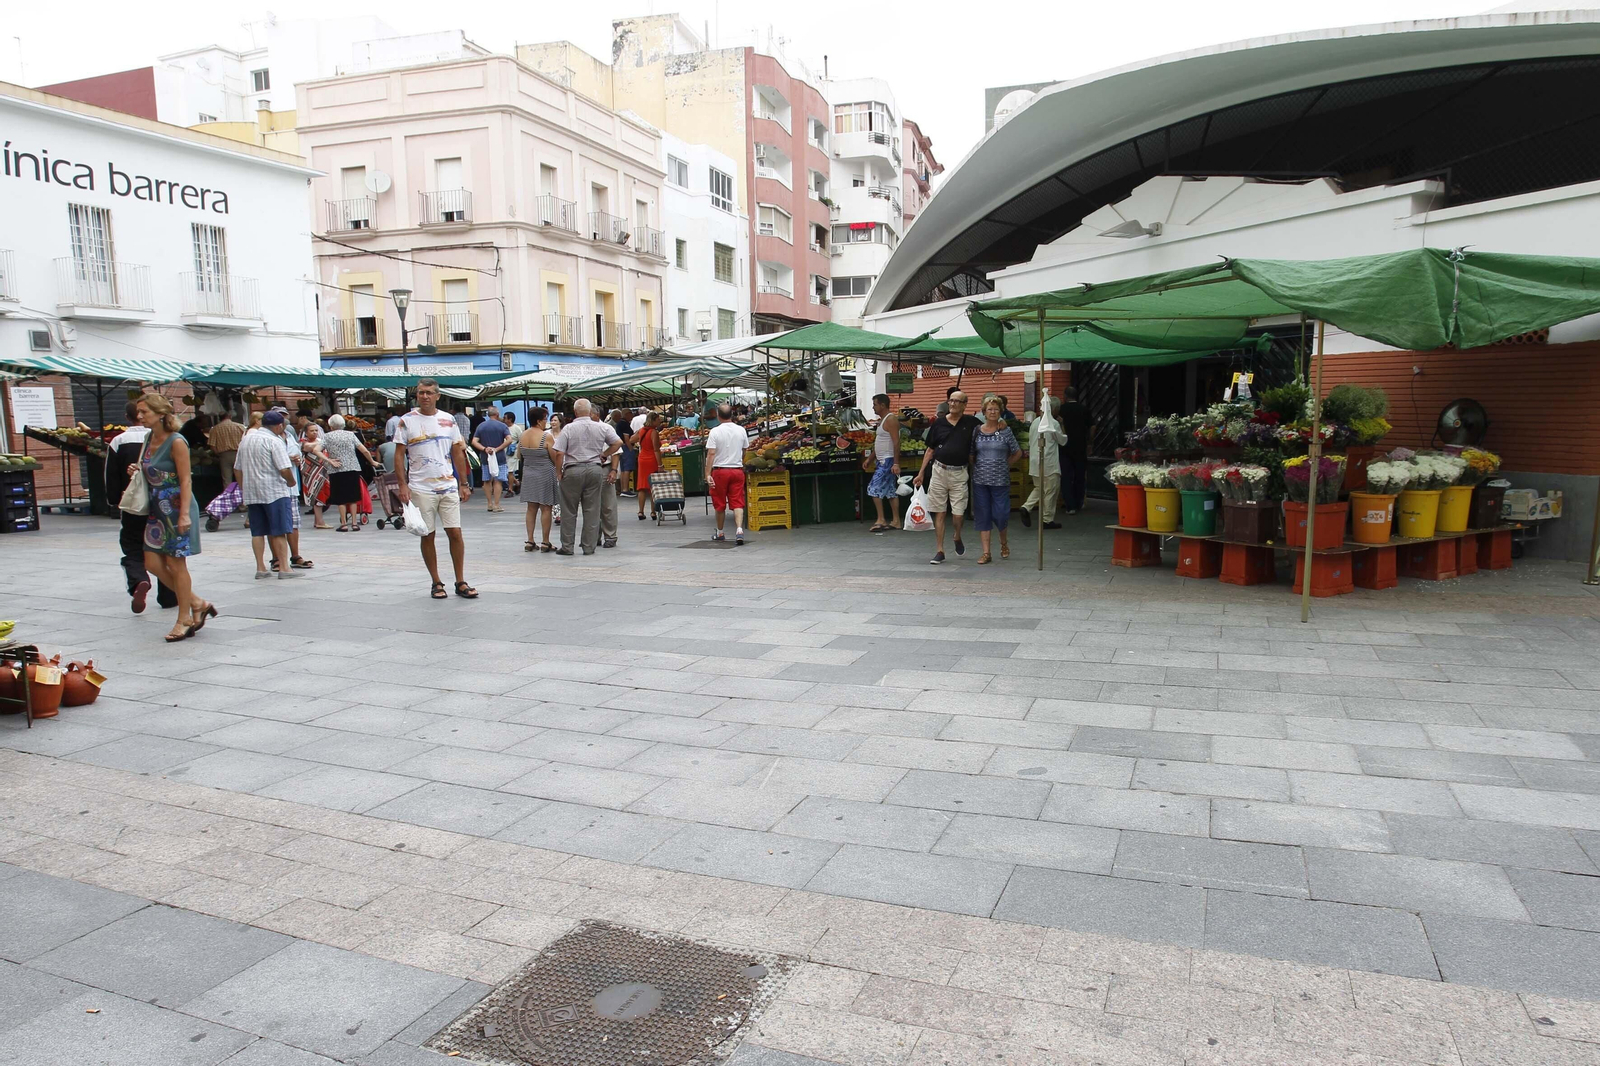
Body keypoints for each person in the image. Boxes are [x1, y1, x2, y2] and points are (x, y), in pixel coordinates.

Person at [131, 393, 216, 642]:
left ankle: (184, 618)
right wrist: (137, 470)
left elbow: (186, 478)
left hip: (177, 507)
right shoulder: (148, 438)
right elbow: (150, 469)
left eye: (144, 411)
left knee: (176, 564)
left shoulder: (177, 441)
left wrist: (184, 515)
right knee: (151, 563)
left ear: (160, 414)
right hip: (157, 509)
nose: (139, 416)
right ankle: (197, 602)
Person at [394, 379, 477, 599]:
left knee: (455, 533)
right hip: (421, 487)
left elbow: (458, 451)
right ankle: (436, 581)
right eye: (421, 393)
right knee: (427, 535)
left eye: (429, 393)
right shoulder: (407, 421)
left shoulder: (448, 420)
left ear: (437, 396)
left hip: (447, 484)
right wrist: (403, 484)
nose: (425, 397)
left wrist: (463, 483)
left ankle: (460, 580)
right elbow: (399, 454)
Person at [106, 401, 177, 613]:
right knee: (162, 548)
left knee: (132, 546)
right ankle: (168, 595)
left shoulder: (119, 440)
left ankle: (138, 580)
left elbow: (110, 475)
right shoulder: (165, 439)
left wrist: (113, 501)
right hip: (161, 502)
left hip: (135, 504)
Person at [913, 390, 980, 564]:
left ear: (965, 404)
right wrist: (920, 473)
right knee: (940, 511)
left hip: (959, 473)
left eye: (957, 401)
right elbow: (930, 450)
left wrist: (1001, 425)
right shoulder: (939, 424)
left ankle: (957, 536)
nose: (953, 404)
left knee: (958, 515)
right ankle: (940, 550)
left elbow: (988, 429)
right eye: (951, 401)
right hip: (939, 471)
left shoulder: (972, 423)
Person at [550, 398, 620, 556]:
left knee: (569, 510)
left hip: (573, 469)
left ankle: (567, 546)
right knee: (592, 509)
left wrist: (559, 472)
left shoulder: (568, 429)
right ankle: (589, 546)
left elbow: (559, 452)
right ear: (590, 411)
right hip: (595, 469)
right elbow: (618, 443)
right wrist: (604, 454)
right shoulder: (602, 427)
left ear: (575, 412)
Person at [235, 411, 299, 579]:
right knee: (279, 530)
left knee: (257, 532)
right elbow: (284, 468)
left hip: (252, 492)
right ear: (279, 426)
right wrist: (292, 482)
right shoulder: (274, 441)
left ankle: (261, 567)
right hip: (274, 491)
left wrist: (244, 487)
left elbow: (237, 468)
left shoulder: (246, 440)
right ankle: (285, 568)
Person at [971, 396, 1023, 563]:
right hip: (980, 480)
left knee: (1001, 514)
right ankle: (986, 553)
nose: (992, 412)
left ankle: (1003, 543)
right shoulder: (977, 431)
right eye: (989, 409)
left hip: (1000, 480)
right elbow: (972, 453)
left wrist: (1005, 464)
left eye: (996, 409)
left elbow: (1017, 452)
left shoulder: (1005, 431)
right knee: (983, 515)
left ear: (1000, 412)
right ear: (984, 412)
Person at [705, 404, 748, 545]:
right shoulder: (741, 430)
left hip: (720, 471)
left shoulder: (715, 432)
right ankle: (739, 530)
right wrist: (739, 461)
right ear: (732, 414)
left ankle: (720, 532)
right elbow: (744, 450)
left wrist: (707, 474)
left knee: (719, 503)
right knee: (737, 502)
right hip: (737, 470)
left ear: (718, 415)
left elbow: (711, 453)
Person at [322, 414, 374, 532]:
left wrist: (328, 460)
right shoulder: (351, 435)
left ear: (330, 426)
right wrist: (372, 461)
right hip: (352, 468)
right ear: (343, 425)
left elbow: (316, 450)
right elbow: (364, 450)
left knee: (341, 498)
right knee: (353, 497)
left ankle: (344, 524)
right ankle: (355, 523)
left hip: (336, 469)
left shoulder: (327, 436)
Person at [517, 408, 559, 552]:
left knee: (531, 508)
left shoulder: (523, 435)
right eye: (545, 419)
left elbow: (518, 455)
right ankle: (545, 542)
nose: (546, 421)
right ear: (539, 420)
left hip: (528, 472)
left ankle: (530, 540)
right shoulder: (545, 436)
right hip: (545, 472)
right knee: (546, 507)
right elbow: (554, 457)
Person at [1021, 394, 1065, 530]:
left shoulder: (1035, 422)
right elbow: (1063, 440)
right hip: (1049, 462)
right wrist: (1062, 424)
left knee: (1039, 488)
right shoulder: (1054, 423)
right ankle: (1047, 519)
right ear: (1054, 410)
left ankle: (1026, 507)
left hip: (1035, 461)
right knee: (1051, 490)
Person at [866, 394, 902, 533]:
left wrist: (896, 463)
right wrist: (870, 459)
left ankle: (881, 519)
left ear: (882, 405)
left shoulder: (891, 419)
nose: (873, 407)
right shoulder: (882, 420)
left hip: (888, 460)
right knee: (891, 491)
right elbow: (880, 443)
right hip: (882, 460)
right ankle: (896, 521)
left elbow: (896, 442)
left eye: (875, 404)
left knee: (873, 488)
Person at [1058, 386, 1096, 515]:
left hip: (1064, 447)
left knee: (1066, 476)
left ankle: (1070, 505)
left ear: (1065, 396)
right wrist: (1090, 442)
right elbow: (1092, 426)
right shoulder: (1084, 409)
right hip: (1080, 446)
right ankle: (1079, 502)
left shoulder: (1060, 410)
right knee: (1080, 475)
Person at [472, 407, 512, 512]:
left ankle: (489, 503)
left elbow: (474, 441)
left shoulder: (481, 426)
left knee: (487, 481)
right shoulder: (502, 426)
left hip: (485, 458)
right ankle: (496, 504)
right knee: (498, 481)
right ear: (497, 415)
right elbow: (509, 440)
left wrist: (485, 449)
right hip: (500, 457)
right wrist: (498, 448)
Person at [299, 422, 334, 530]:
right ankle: (320, 521)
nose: (314, 433)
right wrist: (325, 442)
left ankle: (318, 520)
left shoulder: (320, 441)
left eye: (315, 430)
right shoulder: (303, 442)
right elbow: (307, 447)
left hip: (322, 472)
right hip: (311, 473)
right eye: (311, 431)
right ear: (306, 432)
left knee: (321, 495)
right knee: (316, 495)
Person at [632, 411, 664, 520]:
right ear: (654, 420)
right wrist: (660, 465)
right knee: (652, 486)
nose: (659, 421)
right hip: (651, 459)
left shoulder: (641, 430)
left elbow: (631, 439)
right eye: (658, 419)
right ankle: (653, 512)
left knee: (642, 486)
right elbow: (656, 449)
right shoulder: (653, 432)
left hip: (642, 459)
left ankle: (640, 512)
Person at [207, 409, 245, 484]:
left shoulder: (215, 429)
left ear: (219, 418)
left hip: (224, 456)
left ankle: (228, 494)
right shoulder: (240, 426)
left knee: (227, 479)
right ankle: (243, 494)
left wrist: (218, 454)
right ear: (230, 416)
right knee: (242, 477)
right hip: (239, 454)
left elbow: (212, 446)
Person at [612, 408, 638, 498]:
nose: (632, 416)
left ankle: (623, 489)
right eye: (631, 413)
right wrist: (631, 449)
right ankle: (626, 489)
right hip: (626, 447)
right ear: (626, 414)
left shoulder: (619, 423)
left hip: (621, 448)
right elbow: (627, 439)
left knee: (623, 469)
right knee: (627, 468)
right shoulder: (625, 424)